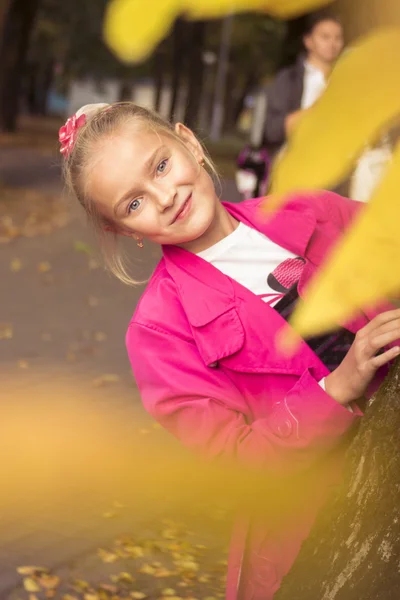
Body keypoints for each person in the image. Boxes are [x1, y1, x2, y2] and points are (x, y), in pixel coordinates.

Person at [59, 101, 400, 600]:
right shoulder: (159, 333)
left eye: (160, 165)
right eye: (133, 204)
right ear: (123, 231)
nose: (165, 195)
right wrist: (335, 390)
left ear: (190, 143)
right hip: (323, 536)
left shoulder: (309, 210)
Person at [264, 12, 344, 156]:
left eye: (337, 38)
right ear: (308, 41)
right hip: (294, 158)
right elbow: (273, 130)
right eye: (325, 37)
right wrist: (318, 108)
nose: (332, 44)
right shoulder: (288, 78)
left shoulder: (346, 78)